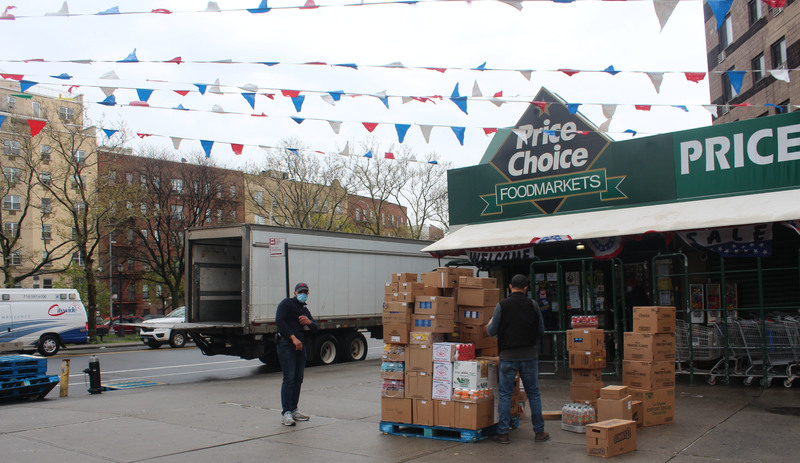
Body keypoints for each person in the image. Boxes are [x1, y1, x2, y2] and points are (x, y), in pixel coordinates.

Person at [485, 274, 549, 444]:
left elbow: (491, 331)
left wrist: (489, 327)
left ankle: (503, 433)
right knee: (533, 393)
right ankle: (539, 432)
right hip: (529, 355)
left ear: (510, 287)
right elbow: (541, 331)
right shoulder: (534, 305)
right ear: (526, 288)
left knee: (505, 394)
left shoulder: (502, 305)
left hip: (508, 356)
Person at [275, 282, 319, 426]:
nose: (303, 294)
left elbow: (316, 328)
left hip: (300, 345)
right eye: (300, 291)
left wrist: (309, 322)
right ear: (295, 293)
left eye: (305, 292)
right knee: (289, 378)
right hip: (287, 344)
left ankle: (294, 409)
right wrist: (293, 338)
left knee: (298, 378)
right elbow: (279, 321)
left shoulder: (304, 310)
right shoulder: (286, 304)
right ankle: (286, 412)